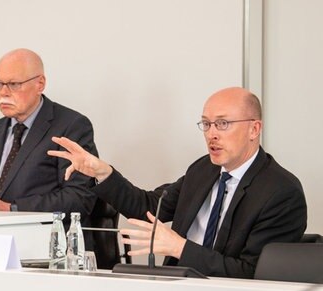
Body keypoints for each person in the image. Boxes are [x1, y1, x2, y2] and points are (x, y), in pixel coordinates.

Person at [48, 87, 307, 278]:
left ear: (254, 129)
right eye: (206, 124)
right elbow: (148, 206)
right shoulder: (203, 169)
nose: (212, 134)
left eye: (223, 124)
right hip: (173, 289)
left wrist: (179, 247)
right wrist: (102, 172)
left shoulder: (281, 192)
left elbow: (253, 274)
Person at [0, 48, 98, 214]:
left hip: (46, 236)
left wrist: (11, 209)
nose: (3, 92)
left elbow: (79, 197)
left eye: (14, 84)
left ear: (40, 84)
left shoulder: (71, 126)